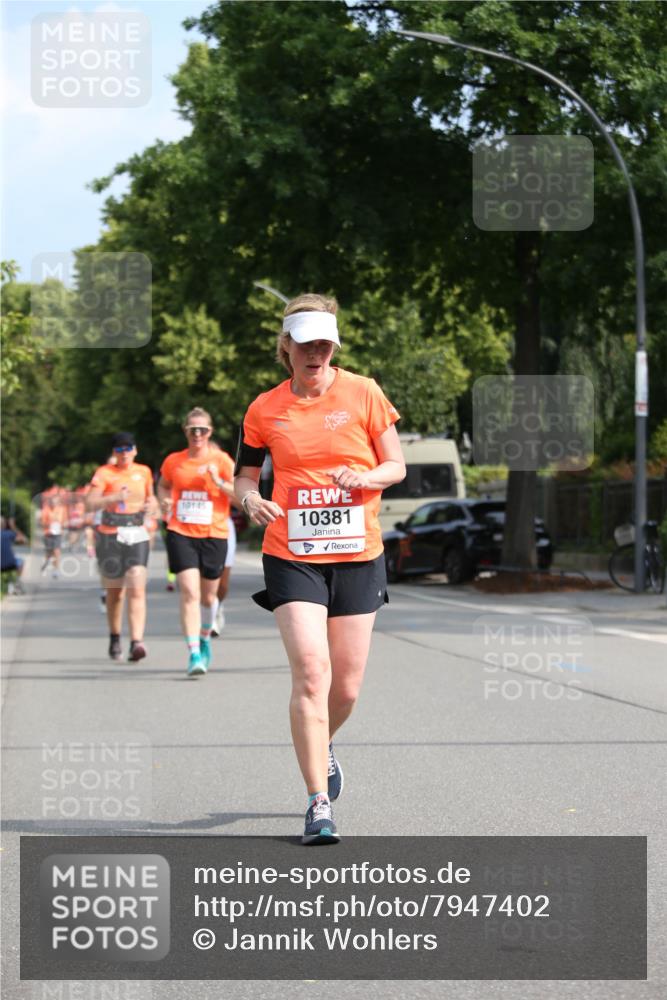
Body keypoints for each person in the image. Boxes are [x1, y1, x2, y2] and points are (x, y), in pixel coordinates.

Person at [235, 293, 405, 844]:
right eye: (305, 344)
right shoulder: (264, 408)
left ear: (334, 344)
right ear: (285, 346)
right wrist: (249, 501)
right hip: (292, 552)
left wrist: (368, 478)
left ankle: (321, 742)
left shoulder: (364, 392)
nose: (316, 353)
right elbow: (245, 477)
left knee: (346, 687)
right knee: (312, 673)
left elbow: (395, 464)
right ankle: (316, 804)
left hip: (358, 552)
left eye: (324, 344)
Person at [157, 408, 236, 677]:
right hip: (181, 531)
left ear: (210, 432)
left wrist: (218, 482)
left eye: (202, 430)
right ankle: (193, 653)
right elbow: (164, 485)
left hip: (214, 533)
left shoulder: (222, 460)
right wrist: (164, 500)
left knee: (208, 596)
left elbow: (240, 494)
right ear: (185, 432)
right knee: (189, 593)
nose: (198, 434)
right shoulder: (174, 461)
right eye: (193, 430)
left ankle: (204, 638)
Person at [86, 433, 156, 662]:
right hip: (110, 534)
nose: (124, 452)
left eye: (128, 447)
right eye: (119, 448)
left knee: (137, 584)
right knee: (115, 592)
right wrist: (114, 497)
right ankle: (115, 636)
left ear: (135, 450)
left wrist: (152, 505)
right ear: (114, 452)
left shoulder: (143, 472)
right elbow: (89, 502)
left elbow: (151, 498)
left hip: (136, 532)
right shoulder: (104, 473)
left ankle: (137, 641)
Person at [40, 492, 66, 578]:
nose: (54, 503)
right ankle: (45, 564)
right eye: (52, 501)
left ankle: (55, 570)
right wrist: (50, 523)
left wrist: (62, 525)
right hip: (48, 533)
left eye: (56, 501)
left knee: (57, 551)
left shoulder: (62, 509)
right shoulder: (46, 509)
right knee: (49, 553)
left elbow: (65, 521)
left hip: (58, 533)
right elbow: (42, 522)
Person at [1, 516, 28, 593]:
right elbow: (25, 540)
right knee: (21, 561)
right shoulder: (9, 534)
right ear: (4, 525)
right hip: (10, 564)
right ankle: (17, 582)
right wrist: (13, 527)